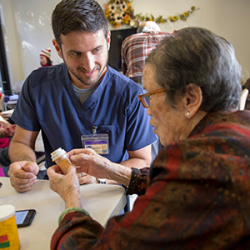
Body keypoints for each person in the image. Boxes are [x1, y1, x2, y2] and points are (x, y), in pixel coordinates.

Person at [48, 27, 250, 249]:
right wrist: (109, 170)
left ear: (190, 99)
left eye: (151, 96)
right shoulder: (238, 130)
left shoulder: (197, 160)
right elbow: (175, 188)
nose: (148, 110)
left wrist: (71, 199)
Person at [7, 0, 156, 192]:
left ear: (108, 40)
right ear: (58, 49)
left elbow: (143, 160)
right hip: (56, 192)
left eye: (96, 50)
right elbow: (21, 142)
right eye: (76, 53)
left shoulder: (130, 95)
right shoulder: (38, 86)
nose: (89, 65)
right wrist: (25, 165)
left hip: (108, 195)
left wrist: (100, 179)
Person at [121, 21, 169, 85]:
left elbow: (124, 69)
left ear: (139, 32)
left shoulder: (128, 40)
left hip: (137, 81)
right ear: (158, 30)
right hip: (163, 79)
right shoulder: (169, 37)